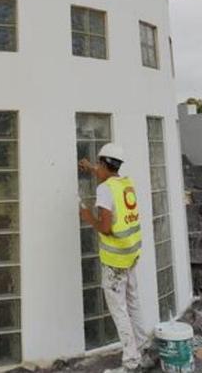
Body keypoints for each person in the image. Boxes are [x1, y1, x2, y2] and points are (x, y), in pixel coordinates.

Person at [79, 143, 151, 373]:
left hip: (115, 260)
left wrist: (87, 216)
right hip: (131, 254)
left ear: (103, 163)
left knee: (119, 310)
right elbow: (109, 180)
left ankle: (131, 362)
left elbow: (106, 227)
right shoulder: (125, 183)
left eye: (97, 164)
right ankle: (145, 349)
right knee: (134, 302)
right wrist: (92, 168)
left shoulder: (104, 190)